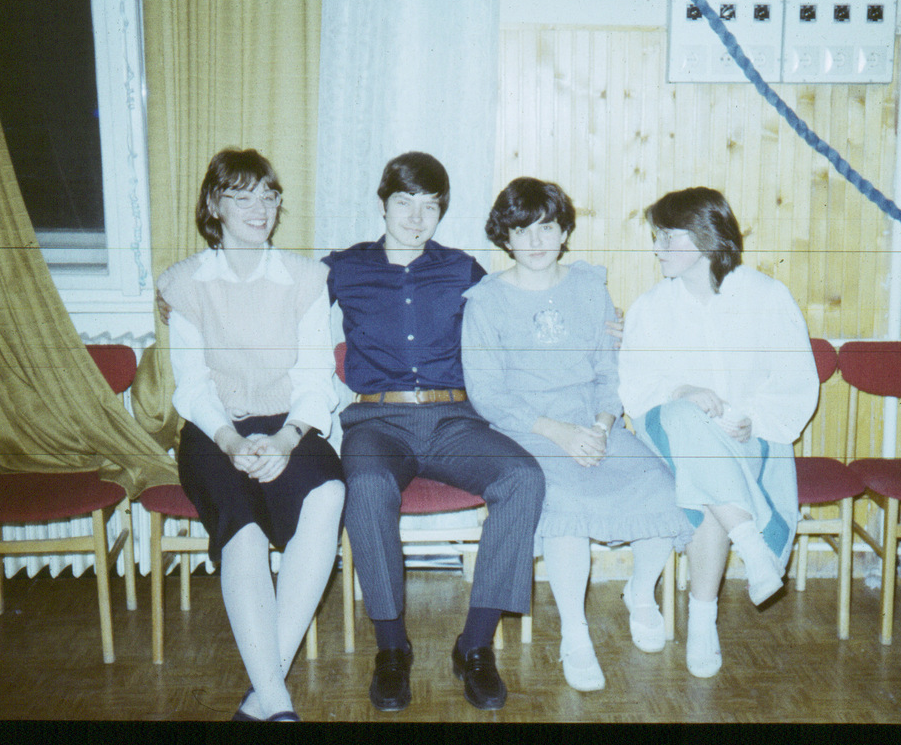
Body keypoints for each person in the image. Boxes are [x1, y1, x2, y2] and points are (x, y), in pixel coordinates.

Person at [323, 152, 545, 712]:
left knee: (522, 477)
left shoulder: (462, 269)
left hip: (453, 421)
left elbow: (522, 309)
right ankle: (392, 648)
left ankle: (475, 646)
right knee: (366, 485)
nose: (417, 218)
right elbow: (270, 294)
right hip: (377, 422)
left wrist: (600, 326)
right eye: (405, 203)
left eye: (430, 206)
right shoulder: (344, 267)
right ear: (383, 204)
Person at [460, 178, 693, 693]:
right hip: (526, 431)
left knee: (662, 484)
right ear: (505, 237)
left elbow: (609, 371)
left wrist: (603, 426)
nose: (535, 241)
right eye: (522, 229)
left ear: (564, 232)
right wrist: (559, 433)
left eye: (547, 227)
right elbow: (487, 393)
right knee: (563, 502)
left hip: (594, 423)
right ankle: (575, 632)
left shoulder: (589, 286)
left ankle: (640, 592)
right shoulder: (485, 301)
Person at [157, 148, 346, 721]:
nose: (259, 208)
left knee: (329, 491)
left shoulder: (306, 279)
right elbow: (192, 386)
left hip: (290, 423)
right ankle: (278, 702)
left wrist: (286, 440)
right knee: (242, 526)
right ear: (214, 205)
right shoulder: (184, 283)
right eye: (241, 196)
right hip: (214, 431)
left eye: (268, 195)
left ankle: (263, 696)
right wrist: (233, 443)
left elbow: (315, 377)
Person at [618, 187, 819, 680]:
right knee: (689, 423)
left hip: (747, 437)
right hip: (667, 434)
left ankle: (703, 619)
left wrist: (751, 418)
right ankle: (751, 547)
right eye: (657, 237)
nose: (658, 248)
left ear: (706, 237)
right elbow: (637, 389)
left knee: (705, 486)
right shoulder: (651, 306)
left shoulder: (766, 296)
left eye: (668, 237)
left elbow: (796, 380)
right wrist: (682, 390)